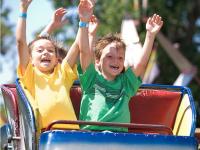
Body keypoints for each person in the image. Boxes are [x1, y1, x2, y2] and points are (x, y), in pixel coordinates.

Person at [78, 0, 163, 132]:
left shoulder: (126, 83)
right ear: (98, 61)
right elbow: (84, 52)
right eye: (109, 57)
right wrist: (83, 23)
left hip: (119, 140)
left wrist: (150, 35)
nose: (116, 61)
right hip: (92, 137)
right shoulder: (91, 80)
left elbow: (141, 64)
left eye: (120, 58)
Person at [16, 0, 86, 132]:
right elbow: (21, 42)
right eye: (40, 51)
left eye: (50, 51)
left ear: (57, 59)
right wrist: (23, 10)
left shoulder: (62, 73)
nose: (45, 53)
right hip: (46, 136)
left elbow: (77, 45)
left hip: (72, 135)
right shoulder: (30, 74)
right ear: (30, 59)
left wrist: (83, 21)